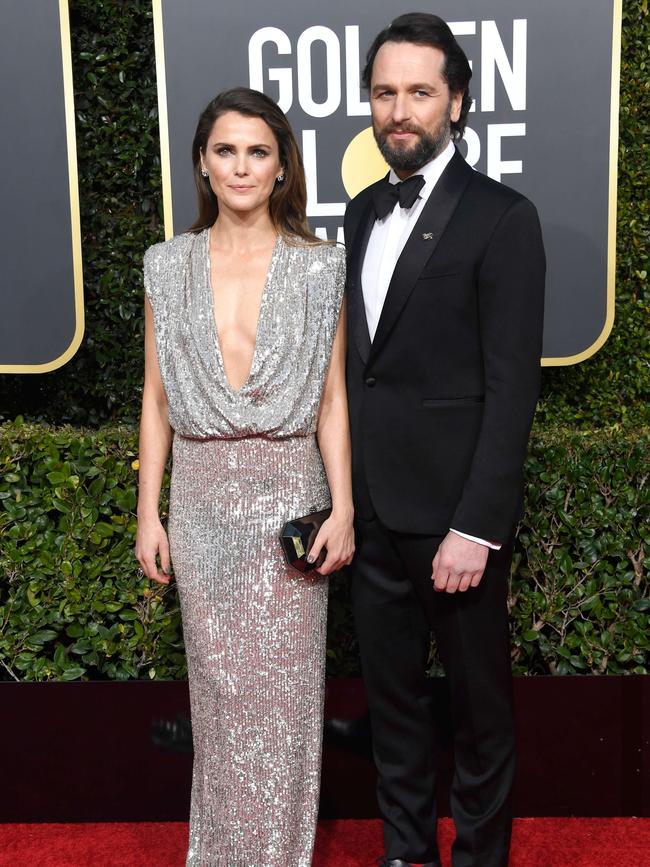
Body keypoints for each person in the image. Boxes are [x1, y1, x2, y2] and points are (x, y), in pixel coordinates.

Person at [344, 13, 545, 867]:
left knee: (478, 711)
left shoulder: (503, 217)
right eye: (386, 93)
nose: (401, 110)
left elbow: (512, 389)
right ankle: (406, 853)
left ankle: (480, 860)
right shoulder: (358, 213)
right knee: (392, 708)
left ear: (456, 101)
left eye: (420, 92)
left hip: (455, 519)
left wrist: (477, 524)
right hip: (373, 514)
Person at [135, 86, 354, 866]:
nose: (241, 166)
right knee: (222, 703)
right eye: (226, 150)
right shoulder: (166, 264)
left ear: (283, 166)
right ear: (202, 160)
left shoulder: (320, 265)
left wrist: (344, 507)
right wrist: (147, 513)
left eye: (258, 151)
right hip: (198, 504)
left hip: (289, 498)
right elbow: (156, 398)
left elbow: (332, 399)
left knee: (286, 709)